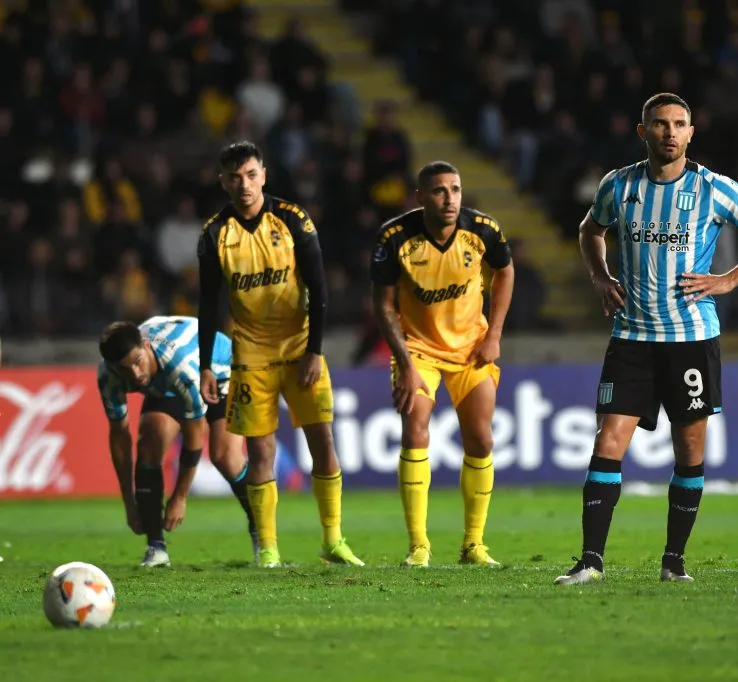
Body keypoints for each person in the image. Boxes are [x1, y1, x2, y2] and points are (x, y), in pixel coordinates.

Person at [555, 93, 738, 585]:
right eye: (660, 124)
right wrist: (600, 277)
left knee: (689, 450)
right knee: (608, 440)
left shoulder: (714, 189)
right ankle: (591, 562)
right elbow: (589, 230)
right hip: (632, 337)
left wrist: (728, 279)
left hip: (690, 339)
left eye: (679, 124)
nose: (670, 132)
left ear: (691, 133)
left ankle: (673, 563)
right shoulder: (618, 185)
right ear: (643, 131)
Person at [196, 141, 362, 569]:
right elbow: (209, 305)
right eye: (235, 177)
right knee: (260, 451)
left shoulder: (292, 220)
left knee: (322, 441)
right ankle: (268, 549)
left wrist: (315, 351)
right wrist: (207, 364)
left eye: (251, 175)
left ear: (264, 175)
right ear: (223, 182)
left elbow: (319, 289)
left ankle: (333, 539)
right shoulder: (215, 233)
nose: (244, 184)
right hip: (250, 353)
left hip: (298, 345)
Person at [370, 161, 514, 567]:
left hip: (471, 348)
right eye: (439, 191)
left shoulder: (482, 230)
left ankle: (474, 545)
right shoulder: (394, 237)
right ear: (420, 197)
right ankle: (419, 546)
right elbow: (382, 304)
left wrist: (494, 335)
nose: (449, 198)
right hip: (417, 350)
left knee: (481, 440)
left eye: (455, 189)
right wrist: (404, 363)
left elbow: (505, 272)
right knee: (415, 430)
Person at [97, 317, 256, 567]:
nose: (135, 375)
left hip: (222, 371)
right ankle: (156, 548)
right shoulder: (108, 376)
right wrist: (129, 502)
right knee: (149, 441)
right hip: (167, 383)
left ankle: (261, 534)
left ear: (146, 346)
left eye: (138, 362)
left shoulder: (182, 366)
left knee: (225, 456)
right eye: (125, 370)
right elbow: (119, 437)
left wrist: (180, 497)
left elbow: (194, 436)